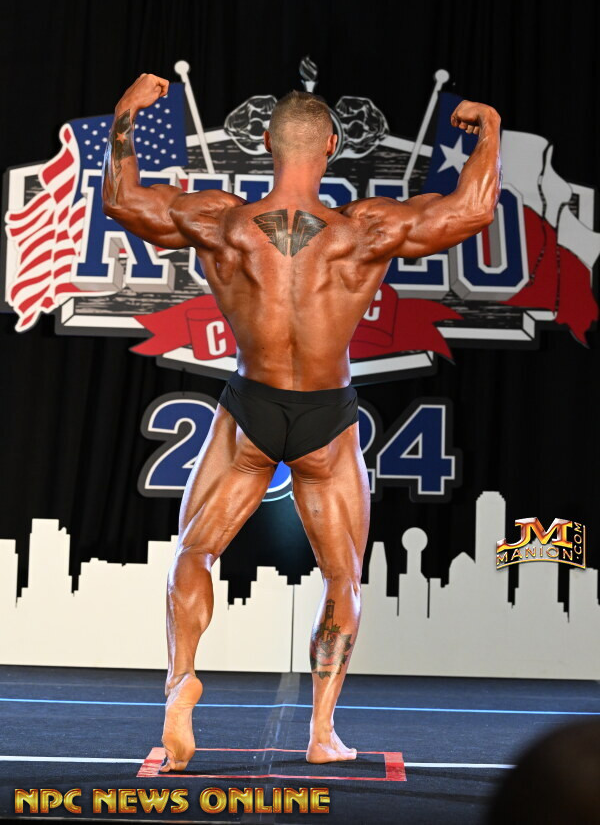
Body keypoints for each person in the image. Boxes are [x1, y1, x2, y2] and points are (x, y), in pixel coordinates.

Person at [102, 73, 501, 772]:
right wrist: (489, 129)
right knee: (343, 578)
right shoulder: (364, 229)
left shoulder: (220, 222)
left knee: (194, 553)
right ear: (333, 146)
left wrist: (124, 119)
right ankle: (321, 733)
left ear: (264, 142)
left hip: (249, 409)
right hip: (327, 418)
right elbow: (471, 211)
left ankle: (180, 681)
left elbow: (122, 200)